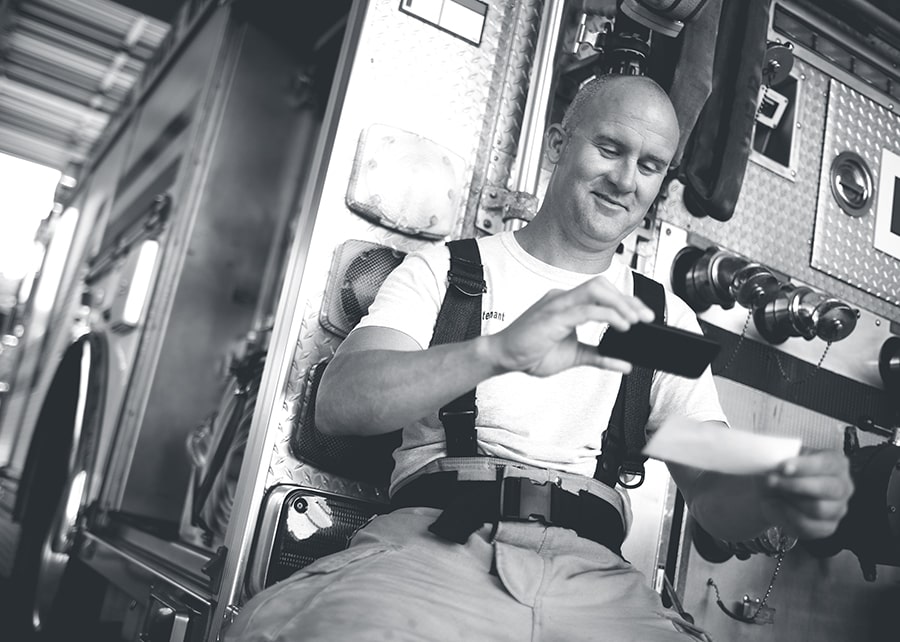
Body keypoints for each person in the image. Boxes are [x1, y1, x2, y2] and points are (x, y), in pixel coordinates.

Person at [226, 75, 853, 641]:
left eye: (651, 165)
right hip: (431, 555)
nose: (626, 179)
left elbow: (713, 483)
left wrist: (778, 490)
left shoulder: (660, 315)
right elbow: (341, 405)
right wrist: (497, 351)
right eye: (609, 149)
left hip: (596, 581)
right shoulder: (447, 272)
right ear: (559, 142)